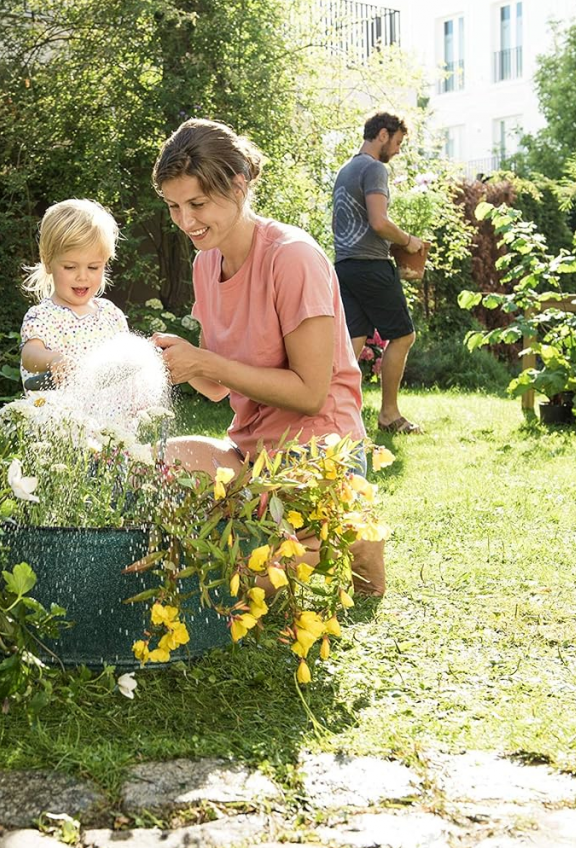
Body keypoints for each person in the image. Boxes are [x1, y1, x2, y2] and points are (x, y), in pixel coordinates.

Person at [150, 118, 385, 597]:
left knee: (246, 585)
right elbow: (218, 387)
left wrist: (205, 363)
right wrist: (172, 361)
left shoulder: (291, 256)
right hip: (252, 454)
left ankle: (349, 527)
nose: (186, 221)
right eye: (174, 206)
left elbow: (310, 392)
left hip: (317, 451)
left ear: (238, 185)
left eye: (197, 203)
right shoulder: (205, 263)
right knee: (162, 466)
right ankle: (293, 530)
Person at [332, 111, 426, 435]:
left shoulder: (345, 169)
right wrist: (409, 241)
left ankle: (333, 416)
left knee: (350, 344)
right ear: (383, 135)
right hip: (371, 265)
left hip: (344, 266)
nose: (398, 150)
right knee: (403, 335)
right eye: (398, 142)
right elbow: (379, 222)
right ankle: (388, 415)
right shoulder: (373, 168)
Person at [19, 199, 129, 389]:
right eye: (70, 267)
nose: (82, 276)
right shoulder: (43, 316)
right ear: (48, 262)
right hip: (63, 416)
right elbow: (29, 356)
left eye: (93, 267)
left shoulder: (111, 314)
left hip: (110, 416)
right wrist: (53, 360)